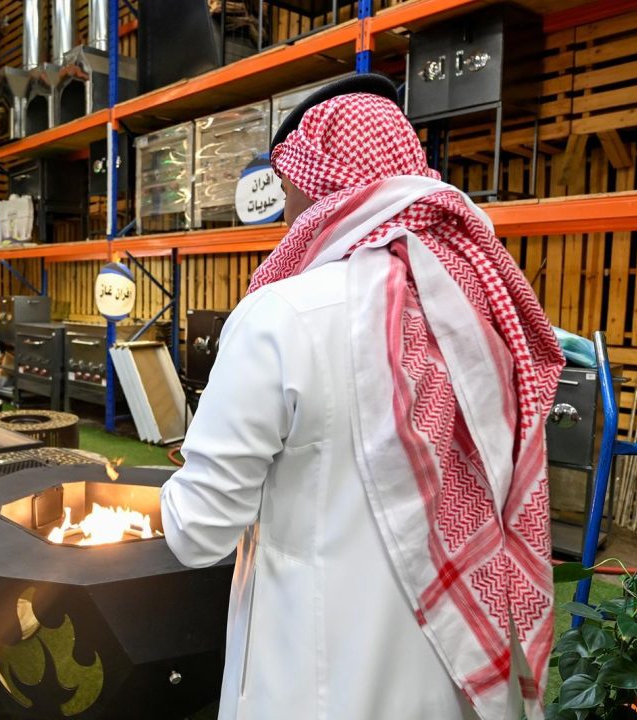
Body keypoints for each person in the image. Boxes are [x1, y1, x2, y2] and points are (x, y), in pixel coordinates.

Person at [159, 75, 564, 720]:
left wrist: (170, 495)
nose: (285, 213)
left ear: (314, 179)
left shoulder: (283, 315)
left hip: (312, 676)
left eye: (287, 187)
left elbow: (198, 531)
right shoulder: (473, 307)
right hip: (453, 657)